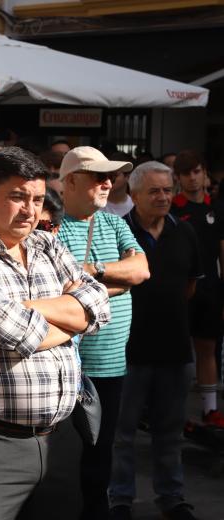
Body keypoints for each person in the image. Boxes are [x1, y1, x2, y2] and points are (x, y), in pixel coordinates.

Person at [0, 147, 111, 520]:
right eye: (17, 197)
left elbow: (98, 304)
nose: (30, 210)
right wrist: (67, 316)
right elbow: (8, 331)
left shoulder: (46, 244)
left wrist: (27, 311)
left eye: (37, 199)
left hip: (59, 440)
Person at [56, 146, 150, 520]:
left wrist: (91, 271)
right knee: (65, 458)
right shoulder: (51, 229)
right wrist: (115, 279)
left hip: (111, 367)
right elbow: (58, 289)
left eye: (111, 176)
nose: (109, 183)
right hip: (68, 366)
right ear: (72, 181)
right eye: (99, 176)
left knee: (101, 454)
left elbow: (141, 270)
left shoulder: (114, 222)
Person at [110, 161, 201, 520]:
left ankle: (172, 498)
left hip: (175, 349)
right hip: (126, 351)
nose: (163, 197)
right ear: (134, 195)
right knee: (122, 433)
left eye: (167, 189)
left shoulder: (186, 233)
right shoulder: (118, 232)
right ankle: (119, 499)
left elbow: (190, 286)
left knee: (170, 432)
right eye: (154, 191)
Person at [170, 150, 224, 427]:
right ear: (178, 178)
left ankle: (210, 410)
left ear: (204, 174)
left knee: (208, 349)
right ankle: (178, 414)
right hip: (180, 291)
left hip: (211, 291)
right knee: (179, 354)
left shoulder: (217, 207)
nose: (193, 178)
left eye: (197, 172)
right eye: (187, 173)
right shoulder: (172, 209)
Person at [103, 151, 136, 217]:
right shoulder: (95, 204)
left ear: (128, 177)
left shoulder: (135, 207)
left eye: (114, 175)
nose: (108, 179)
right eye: (106, 175)